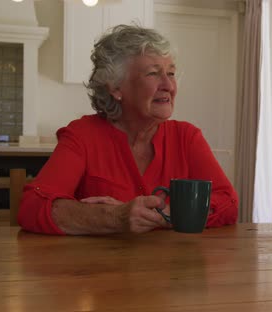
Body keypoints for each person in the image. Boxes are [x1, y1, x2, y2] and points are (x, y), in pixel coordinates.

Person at [18, 24, 238, 235]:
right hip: (100, 270)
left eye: (170, 73)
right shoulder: (83, 135)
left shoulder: (186, 137)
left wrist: (166, 215)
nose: (169, 86)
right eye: (153, 73)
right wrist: (114, 217)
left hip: (171, 270)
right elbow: (32, 207)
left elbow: (228, 203)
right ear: (115, 87)